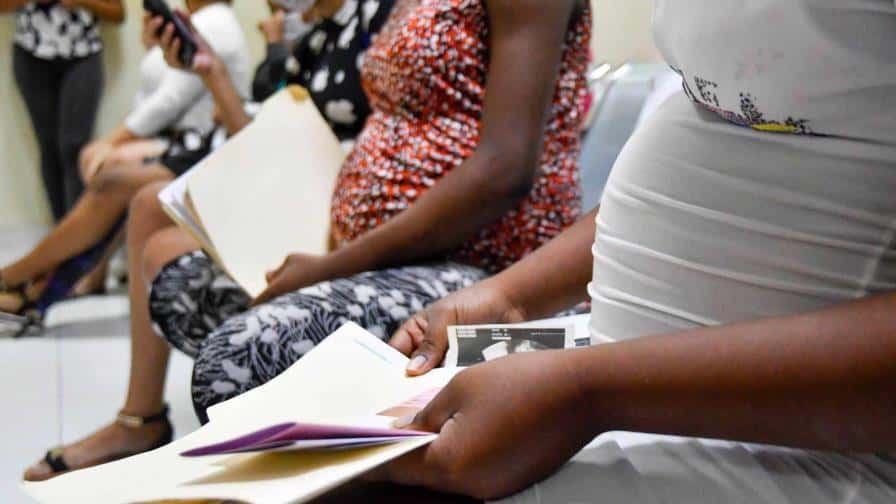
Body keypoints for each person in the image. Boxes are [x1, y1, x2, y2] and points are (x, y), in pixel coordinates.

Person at [362, 1, 896, 501]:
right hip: (618, 371)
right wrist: (511, 297)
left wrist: (587, 394)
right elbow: (735, 139)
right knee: (348, 452)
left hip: (798, 447)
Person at [148, 0, 589, 425]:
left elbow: (504, 171)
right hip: (393, 253)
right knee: (183, 291)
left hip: (491, 265)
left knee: (238, 355)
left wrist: (334, 265)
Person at [22, 0, 396, 481]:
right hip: (303, 189)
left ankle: (20, 281)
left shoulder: (378, 22)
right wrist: (210, 71)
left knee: (155, 231)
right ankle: (139, 417)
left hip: (341, 210)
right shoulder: (319, 33)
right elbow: (270, 142)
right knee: (150, 203)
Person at [0, 0, 251, 321]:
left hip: (207, 146)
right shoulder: (199, 21)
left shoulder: (215, 23)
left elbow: (171, 99)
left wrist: (113, 142)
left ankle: (23, 281)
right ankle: (33, 285)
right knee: (108, 178)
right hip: (194, 141)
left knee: (113, 180)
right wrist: (154, 46)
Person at [2, 0, 124, 222]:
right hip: (31, 56)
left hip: (83, 55)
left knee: (75, 146)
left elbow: (118, 14)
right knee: (49, 148)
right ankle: (62, 230)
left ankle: (81, 233)